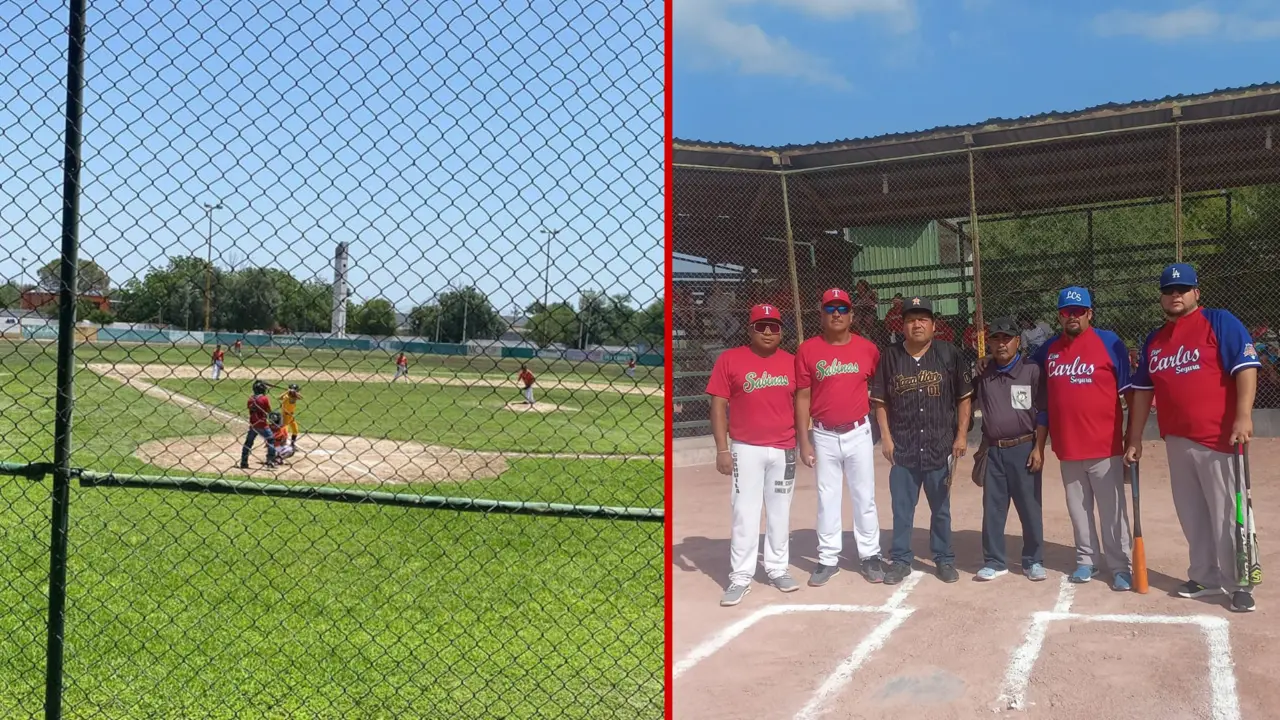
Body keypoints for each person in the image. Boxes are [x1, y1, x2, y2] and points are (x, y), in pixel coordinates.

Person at [1124, 263, 1261, 613]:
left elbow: (1245, 368)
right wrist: (1134, 437)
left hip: (1219, 438)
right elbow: (1142, 391)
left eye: (1182, 289)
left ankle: (1239, 582)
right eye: (1169, 291)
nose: (1175, 295)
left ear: (1196, 293)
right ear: (1162, 297)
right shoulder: (1155, 340)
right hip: (1177, 440)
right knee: (1192, 513)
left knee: (1229, 514)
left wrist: (1243, 416)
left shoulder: (1219, 322)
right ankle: (1205, 575)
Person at [1031, 287, 1135, 589]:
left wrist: (1131, 435)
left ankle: (1120, 565)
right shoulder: (1049, 349)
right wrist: (988, 361)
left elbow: (1129, 392)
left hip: (1105, 446)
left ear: (1090, 313)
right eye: (1066, 312)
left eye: (1078, 311)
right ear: (1059, 316)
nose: (1072, 316)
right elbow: (1020, 367)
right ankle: (1086, 560)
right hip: (1067, 446)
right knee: (1078, 510)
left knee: (1112, 510)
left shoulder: (1110, 342)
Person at [870, 295, 972, 585]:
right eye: (911, 319)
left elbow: (964, 398)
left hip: (940, 445)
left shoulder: (948, 353)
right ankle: (901, 560)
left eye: (923, 319)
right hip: (903, 446)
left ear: (933, 325)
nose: (917, 324)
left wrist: (962, 435)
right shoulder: (890, 356)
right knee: (902, 509)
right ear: (902, 325)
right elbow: (880, 402)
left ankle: (943, 559)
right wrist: (886, 439)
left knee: (941, 508)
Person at [706, 303, 799, 606]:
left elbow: (803, 402)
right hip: (746, 448)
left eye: (774, 326)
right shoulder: (730, 359)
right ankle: (741, 576)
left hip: (784, 447)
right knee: (744, 512)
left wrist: (804, 440)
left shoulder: (792, 362)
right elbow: (718, 406)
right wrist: (722, 448)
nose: (769, 332)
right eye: (762, 326)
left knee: (779, 511)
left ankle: (777, 567)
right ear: (750, 330)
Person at [795, 287, 883, 587]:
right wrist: (804, 439)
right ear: (821, 314)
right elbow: (803, 396)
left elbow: (881, 388)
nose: (836, 313)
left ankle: (870, 555)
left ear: (851, 315)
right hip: (823, 434)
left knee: (864, 496)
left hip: (859, 430)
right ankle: (828, 558)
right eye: (830, 309)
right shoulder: (807, 350)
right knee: (827, 498)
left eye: (842, 309)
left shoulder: (867, 349)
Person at [971, 317, 1047, 582]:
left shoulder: (1031, 371)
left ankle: (1033, 560)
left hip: (1024, 447)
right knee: (992, 507)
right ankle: (994, 560)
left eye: (1007, 338)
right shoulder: (983, 372)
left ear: (1018, 341)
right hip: (994, 450)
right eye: (996, 338)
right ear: (989, 342)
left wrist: (1039, 448)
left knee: (1029, 506)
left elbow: (1043, 413)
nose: (1001, 343)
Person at [239, 380, 277, 469]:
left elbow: (250, 408)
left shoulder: (250, 399)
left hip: (253, 425)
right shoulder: (264, 398)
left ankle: (243, 462)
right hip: (262, 425)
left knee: (248, 443)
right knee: (271, 440)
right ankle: (270, 461)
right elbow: (268, 411)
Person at [279, 383, 302, 450]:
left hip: (291, 416)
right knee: (285, 432)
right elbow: (280, 397)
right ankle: (282, 446)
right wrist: (287, 391)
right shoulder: (287, 397)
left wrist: (293, 392)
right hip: (285, 416)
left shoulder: (294, 396)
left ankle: (292, 444)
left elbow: (300, 397)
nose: (298, 391)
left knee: (295, 430)